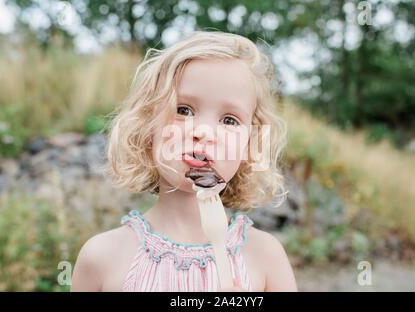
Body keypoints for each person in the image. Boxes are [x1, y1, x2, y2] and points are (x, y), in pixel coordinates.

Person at [71, 31, 297, 292]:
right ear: (148, 127)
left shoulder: (266, 258)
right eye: (183, 110)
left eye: (229, 120)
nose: (204, 132)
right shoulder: (101, 257)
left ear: (249, 145)